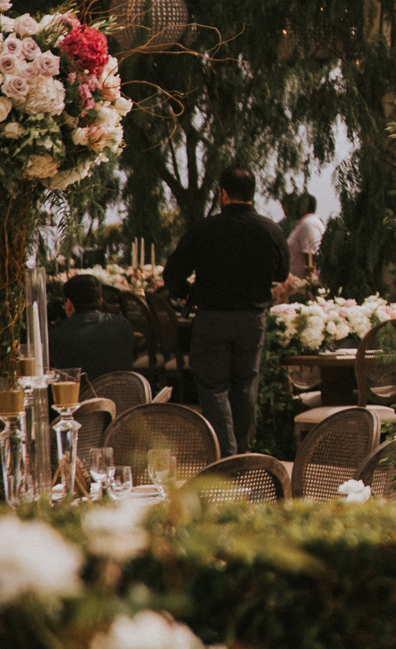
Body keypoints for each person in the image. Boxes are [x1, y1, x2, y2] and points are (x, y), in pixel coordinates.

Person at [161, 165, 288, 456]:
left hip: (213, 317)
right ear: (252, 194)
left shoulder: (204, 229)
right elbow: (281, 275)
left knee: (213, 386)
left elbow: (172, 274)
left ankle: (226, 455)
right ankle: (242, 452)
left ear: (223, 193)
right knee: (246, 385)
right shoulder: (271, 230)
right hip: (252, 319)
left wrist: (187, 293)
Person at [49, 273, 136, 382]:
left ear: (69, 303)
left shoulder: (56, 337)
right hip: (121, 396)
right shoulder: (123, 325)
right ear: (101, 301)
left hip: (78, 398)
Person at [285, 192, 324, 283]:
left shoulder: (309, 223)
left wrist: (309, 282)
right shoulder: (304, 223)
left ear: (305, 207)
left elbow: (312, 253)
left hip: (303, 285)